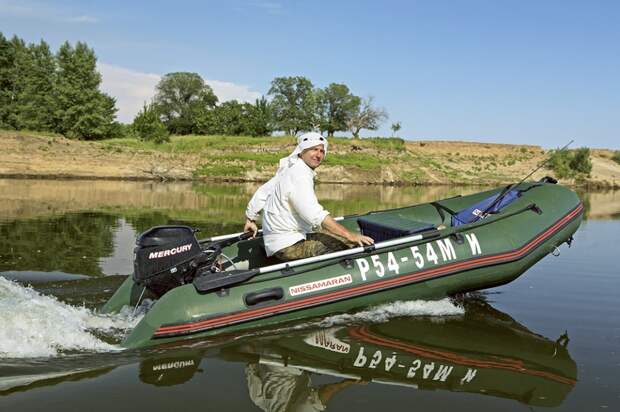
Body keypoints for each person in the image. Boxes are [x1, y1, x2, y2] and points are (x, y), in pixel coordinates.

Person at [243, 132, 373, 261]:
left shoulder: (290, 168)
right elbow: (314, 214)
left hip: (279, 241)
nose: (318, 154)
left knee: (338, 237)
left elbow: (263, 192)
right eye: (314, 149)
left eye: (322, 151)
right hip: (289, 245)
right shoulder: (299, 174)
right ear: (302, 150)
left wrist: (250, 218)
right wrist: (350, 236)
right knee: (346, 246)